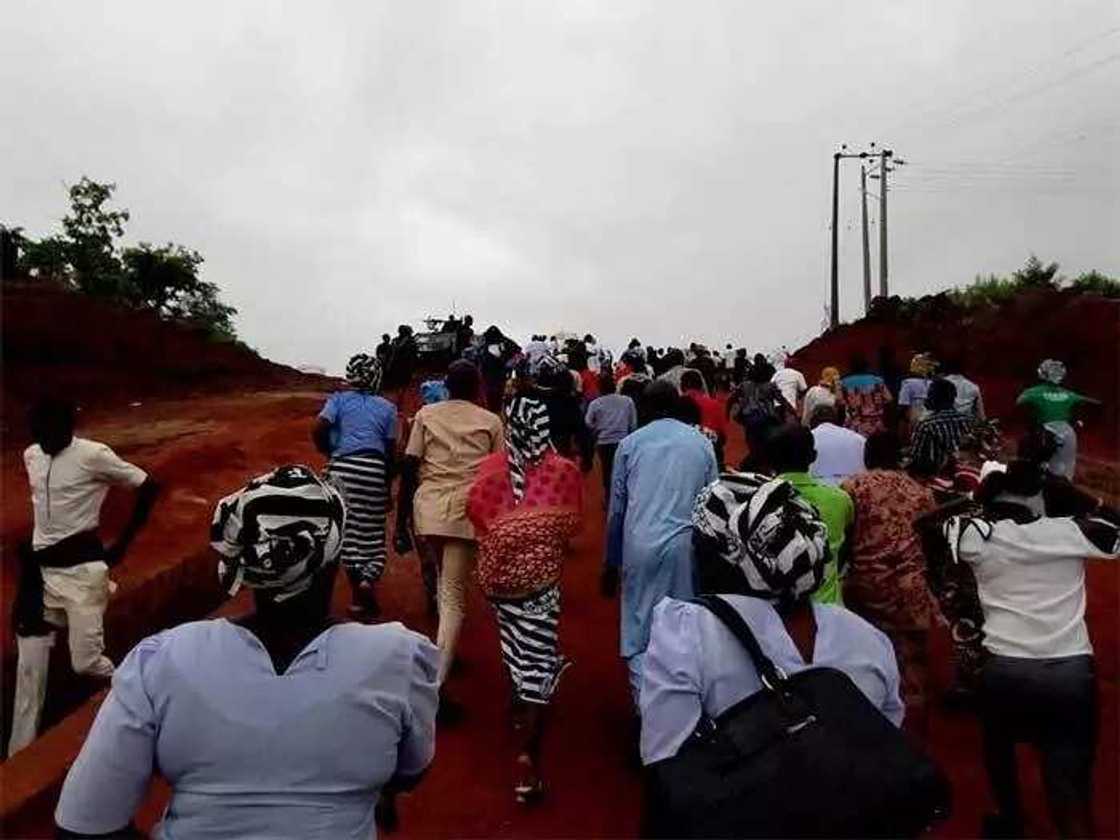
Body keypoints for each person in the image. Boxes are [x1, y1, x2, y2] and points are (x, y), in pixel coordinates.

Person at [54, 465, 438, 839]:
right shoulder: (399, 658)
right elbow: (409, 772)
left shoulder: (161, 660)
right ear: (332, 558)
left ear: (245, 558)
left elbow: (82, 828)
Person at [640, 471, 903, 765]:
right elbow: (888, 741)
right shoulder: (870, 641)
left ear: (718, 560)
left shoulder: (685, 634)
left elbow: (667, 761)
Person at [916, 461, 1119, 838]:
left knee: (999, 751)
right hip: (1070, 672)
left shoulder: (978, 538)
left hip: (1005, 670)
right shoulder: (1071, 532)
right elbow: (1114, 525)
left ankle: (1011, 820)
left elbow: (926, 525)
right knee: (1068, 779)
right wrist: (1082, 498)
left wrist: (977, 497)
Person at [8, 397, 158, 756]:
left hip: (81, 575)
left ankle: (140, 695)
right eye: (37, 433)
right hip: (41, 574)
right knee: (28, 664)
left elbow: (148, 486)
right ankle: (19, 755)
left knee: (86, 663)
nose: (43, 440)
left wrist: (121, 544)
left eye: (49, 433)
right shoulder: (32, 455)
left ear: (68, 428)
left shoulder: (94, 455)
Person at [466, 397, 583, 803]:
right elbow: (572, 525)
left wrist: (510, 532)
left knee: (513, 643)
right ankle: (528, 764)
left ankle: (518, 699)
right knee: (538, 663)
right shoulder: (564, 472)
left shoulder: (488, 469)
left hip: (498, 582)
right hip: (541, 586)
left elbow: (477, 516)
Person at [602, 381, 718, 703]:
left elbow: (617, 509)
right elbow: (714, 503)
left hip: (640, 544)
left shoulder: (630, 444)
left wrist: (611, 562)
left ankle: (645, 708)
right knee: (685, 624)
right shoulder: (701, 443)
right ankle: (687, 703)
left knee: (640, 626)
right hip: (687, 545)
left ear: (645, 408)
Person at [396, 361, 504, 703]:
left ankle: (443, 652)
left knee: (445, 581)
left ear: (447, 385)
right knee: (454, 592)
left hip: (428, 511)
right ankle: (437, 683)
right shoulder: (491, 421)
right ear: (477, 386)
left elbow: (409, 466)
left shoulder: (426, 414)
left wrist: (400, 523)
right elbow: (498, 475)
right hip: (465, 513)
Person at [840, 432, 937, 735]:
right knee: (914, 664)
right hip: (911, 588)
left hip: (866, 589)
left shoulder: (853, 487)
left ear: (867, 456)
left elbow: (845, 540)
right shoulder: (921, 492)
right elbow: (932, 544)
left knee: (868, 657)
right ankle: (915, 734)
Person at [313, 353, 397, 617]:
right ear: (376, 377)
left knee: (346, 531)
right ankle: (368, 580)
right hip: (374, 469)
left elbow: (319, 427)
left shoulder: (338, 400)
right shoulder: (388, 408)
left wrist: (329, 452)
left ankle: (357, 589)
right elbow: (391, 452)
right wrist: (386, 488)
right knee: (373, 532)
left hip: (342, 468)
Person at [767, 424, 854, 605]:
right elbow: (847, 546)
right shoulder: (840, 499)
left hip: (778, 610)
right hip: (828, 606)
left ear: (771, 459)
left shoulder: (758, 501)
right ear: (813, 456)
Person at [1016, 358, 1100, 480]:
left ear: (1042, 373)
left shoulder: (1032, 392)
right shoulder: (1069, 394)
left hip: (1043, 433)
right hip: (1068, 434)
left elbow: (1019, 403)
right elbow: (1093, 404)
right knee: (1065, 473)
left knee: (1034, 468)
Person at [729, 358, 792, 471]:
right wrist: (792, 411)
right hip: (768, 419)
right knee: (768, 445)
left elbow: (732, 398)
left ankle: (752, 467)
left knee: (753, 445)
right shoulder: (770, 386)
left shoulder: (744, 385)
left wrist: (727, 413)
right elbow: (782, 400)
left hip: (749, 420)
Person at [585, 373, 638, 498]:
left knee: (607, 472)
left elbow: (588, 422)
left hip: (604, 443)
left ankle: (610, 498)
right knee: (625, 471)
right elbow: (633, 424)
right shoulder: (627, 401)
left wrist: (597, 429)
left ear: (600, 387)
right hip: (623, 441)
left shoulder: (595, 404)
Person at [909, 378, 974, 477]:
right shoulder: (968, 420)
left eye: (929, 394)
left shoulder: (926, 425)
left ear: (938, 398)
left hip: (935, 477)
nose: (926, 398)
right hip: (964, 474)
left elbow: (918, 460)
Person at [808, 404, 866, 486]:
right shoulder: (858, 439)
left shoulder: (807, 439)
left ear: (812, 421)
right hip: (853, 487)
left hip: (816, 488)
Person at [838, 353, 894, 438]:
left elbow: (839, 402)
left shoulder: (843, 383)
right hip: (876, 425)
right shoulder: (878, 380)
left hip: (854, 426)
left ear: (851, 367)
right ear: (866, 366)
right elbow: (889, 399)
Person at [681, 369, 728, 468]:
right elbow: (723, 436)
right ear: (701, 386)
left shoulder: (676, 404)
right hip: (711, 454)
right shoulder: (716, 405)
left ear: (682, 386)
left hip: (683, 456)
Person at [897, 353, 937, 435]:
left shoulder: (908, 383)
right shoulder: (934, 384)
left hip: (914, 421)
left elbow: (903, 405)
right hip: (931, 421)